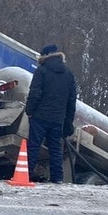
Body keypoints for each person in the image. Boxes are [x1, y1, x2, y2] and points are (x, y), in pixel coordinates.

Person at [24, 44, 77, 183]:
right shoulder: (68, 74)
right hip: (58, 119)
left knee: (33, 147)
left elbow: (35, 93)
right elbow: (72, 101)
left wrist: (29, 110)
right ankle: (57, 179)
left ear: (44, 56)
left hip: (40, 116)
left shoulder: (41, 71)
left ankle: (26, 175)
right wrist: (68, 122)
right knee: (55, 149)